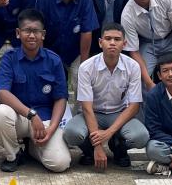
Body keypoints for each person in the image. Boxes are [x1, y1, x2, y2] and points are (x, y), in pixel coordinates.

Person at [0, 9, 71, 173]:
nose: (32, 35)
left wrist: (52, 129)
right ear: (18, 33)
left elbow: (61, 98)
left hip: (45, 120)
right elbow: (2, 92)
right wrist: (31, 115)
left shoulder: (54, 60)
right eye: (27, 31)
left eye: (36, 31)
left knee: (60, 164)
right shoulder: (9, 58)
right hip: (19, 117)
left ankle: (33, 148)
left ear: (43, 34)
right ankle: (14, 154)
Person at [63, 23, 149, 169]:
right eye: (108, 39)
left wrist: (109, 133)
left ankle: (118, 148)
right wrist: (98, 147)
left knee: (141, 137)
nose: (112, 43)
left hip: (118, 113)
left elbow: (134, 106)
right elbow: (86, 107)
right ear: (100, 42)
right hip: (92, 113)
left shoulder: (133, 66)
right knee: (71, 133)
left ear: (124, 44)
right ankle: (89, 150)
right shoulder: (87, 67)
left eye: (117, 39)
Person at [35, 0, 98, 90]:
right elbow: (38, 31)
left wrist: (84, 64)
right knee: (50, 87)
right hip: (50, 50)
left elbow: (86, 31)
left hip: (76, 51)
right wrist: (42, 59)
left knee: (81, 84)